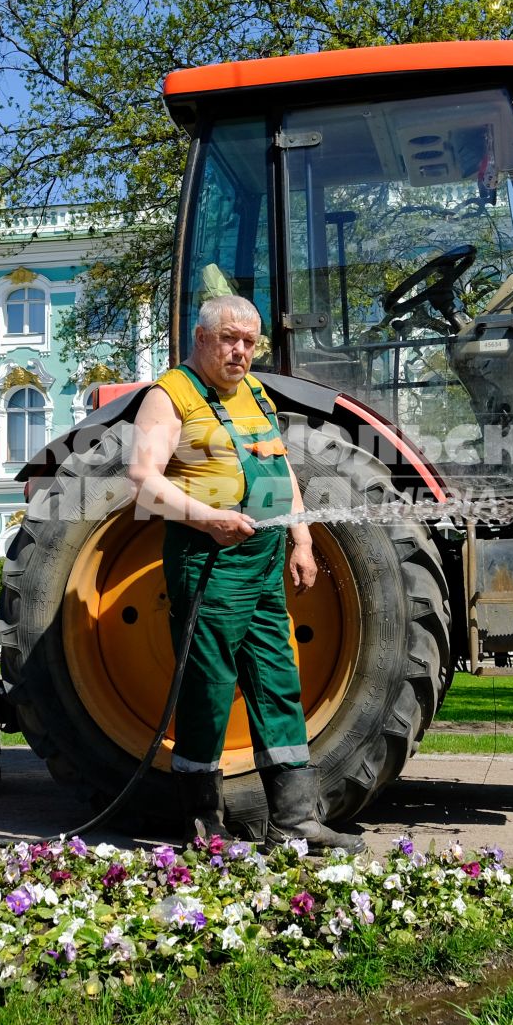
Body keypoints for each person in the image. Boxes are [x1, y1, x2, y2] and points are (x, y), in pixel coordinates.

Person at [126, 294, 364, 852]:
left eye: (250, 342)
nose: (241, 351)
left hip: (262, 562)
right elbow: (142, 477)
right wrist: (208, 519)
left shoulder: (255, 393)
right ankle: (203, 826)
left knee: (278, 681)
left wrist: (302, 538)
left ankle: (294, 819)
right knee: (209, 689)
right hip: (209, 561)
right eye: (230, 339)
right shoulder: (168, 397)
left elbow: (281, 468)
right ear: (201, 338)